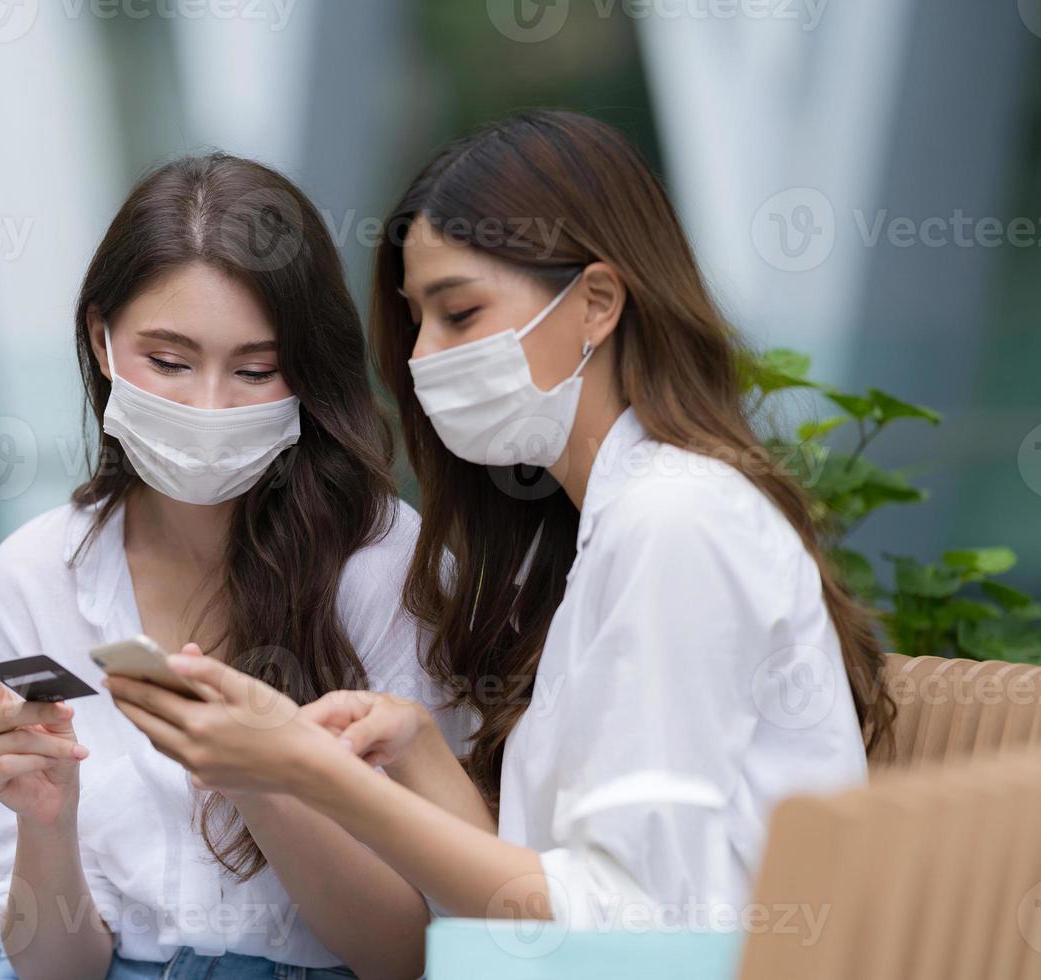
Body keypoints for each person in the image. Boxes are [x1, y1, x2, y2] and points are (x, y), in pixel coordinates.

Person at [105, 109, 896, 931]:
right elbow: (536, 894)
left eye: (460, 314)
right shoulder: (609, 528)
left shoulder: (675, 520)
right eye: (416, 322)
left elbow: (630, 919)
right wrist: (413, 748)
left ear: (596, 303)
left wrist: (307, 773)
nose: (420, 359)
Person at [0, 152, 463, 980]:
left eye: (255, 370)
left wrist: (262, 777)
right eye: (168, 361)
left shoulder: (383, 566)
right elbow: (55, 969)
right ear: (101, 340)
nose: (207, 407)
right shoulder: (33, 573)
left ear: (305, 374)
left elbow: (405, 954)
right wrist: (46, 823)